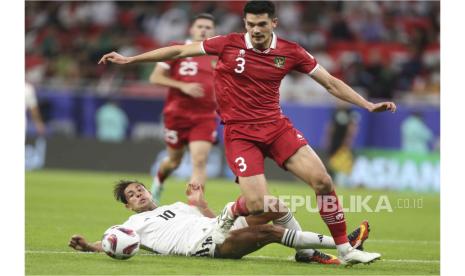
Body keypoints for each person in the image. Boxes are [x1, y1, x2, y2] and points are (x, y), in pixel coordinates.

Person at [98, 1, 396, 265]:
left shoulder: (291, 51)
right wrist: (131, 59)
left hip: (277, 127)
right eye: (250, 24)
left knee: (323, 181)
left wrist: (367, 105)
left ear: (273, 23)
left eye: (261, 24)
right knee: (256, 204)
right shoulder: (227, 43)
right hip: (240, 133)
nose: (255, 30)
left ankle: (345, 249)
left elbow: (330, 83)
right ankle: (228, 214)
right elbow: (179, 50)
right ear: (245, 24)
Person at [68, 180, 370, 265]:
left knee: (274, 205)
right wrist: (89, 248)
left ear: (148, 190)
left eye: (139, 189)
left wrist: (200, 204)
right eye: (131, 195)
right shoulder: (134, 224)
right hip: (202, 247)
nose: (138, 195)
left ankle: (305, 253)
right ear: (128, 205)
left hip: (214, 229)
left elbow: (215, 221)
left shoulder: (176, 205)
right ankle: (343, 243)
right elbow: (114, 244)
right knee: (269, 232)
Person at [149, 13, 219, 204]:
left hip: (204, 116)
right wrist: (182, 85)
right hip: (176, 114)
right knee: (174, 161)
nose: (203, 30)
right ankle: (158, 181)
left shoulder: (218, 54)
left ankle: (193, 207)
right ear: (191, 29)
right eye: (200, 26)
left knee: (199, 160)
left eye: (208, 27)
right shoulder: (177, 48)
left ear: (214, 31)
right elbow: (155, 78)